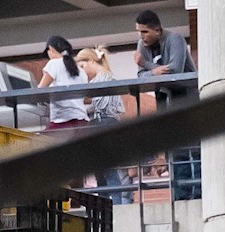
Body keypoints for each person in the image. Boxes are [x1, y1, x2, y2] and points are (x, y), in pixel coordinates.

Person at [134, 10, 200, 199]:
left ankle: (198, 194)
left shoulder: (175, 39)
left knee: (194, 152)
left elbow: (175, 71)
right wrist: (153, 71)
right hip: (164, 102)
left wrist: (146, 65)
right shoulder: (142, 45)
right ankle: (181, 196)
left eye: (145, 32)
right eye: (139, 32)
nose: (141, 37)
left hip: (187, 100)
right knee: (175, 153)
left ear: (157, 29)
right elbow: (140, 77)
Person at [75, 48, 129, 198]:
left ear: (91, 61)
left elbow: (101, 105)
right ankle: (108, 205)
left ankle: (113, 205)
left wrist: (84, 104)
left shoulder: (104, 78)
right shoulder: (104, 78)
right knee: (102, 172)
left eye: (82, 66)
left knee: (107, 170)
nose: (82, 72)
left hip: (103, 123)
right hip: (103, 123)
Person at [36, 37, 90, 132]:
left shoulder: (54, 64)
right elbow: (87, 99)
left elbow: (41, 89)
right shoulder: (81, 71)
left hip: (62, 122)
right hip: (82, 120)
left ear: (51, 49)